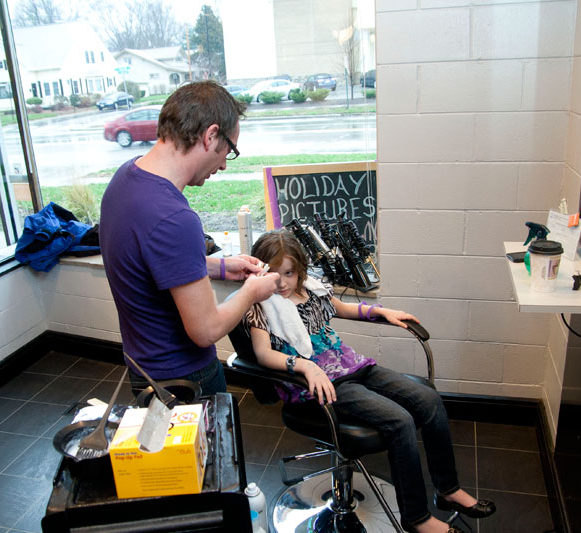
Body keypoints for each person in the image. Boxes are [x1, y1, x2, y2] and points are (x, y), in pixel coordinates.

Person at [243, 230, 496, 533]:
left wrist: (380, 312)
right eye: (273, 273)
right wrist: (303, 366)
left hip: (353, 366)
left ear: (300, 271)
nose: (282, 282)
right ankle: (417, 518)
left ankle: (447, 489)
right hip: (322, 385)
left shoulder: (309, 290)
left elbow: (342, 308)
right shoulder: (260, 306)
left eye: (289, 273)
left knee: (428, 400)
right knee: (399, 420)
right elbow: (261, 353)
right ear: (259, 271)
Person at [100, 81, 279, 396]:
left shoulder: (125, 180)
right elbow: (206, 330)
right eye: (229, 150)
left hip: (144, 371)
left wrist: (219, 267)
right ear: (211, 136)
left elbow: (152, 263)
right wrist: (252, 291)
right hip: (185, 379)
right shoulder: (174, 218)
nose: (224, 164)